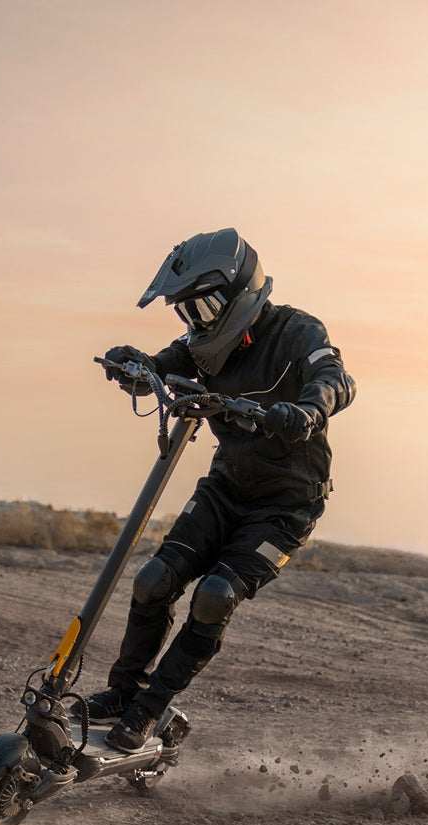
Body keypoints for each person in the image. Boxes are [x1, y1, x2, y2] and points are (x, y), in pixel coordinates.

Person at [77, 228, 356, 753]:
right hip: (225, 490)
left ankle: (148, 711)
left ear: (240, 293)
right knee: (153, 580)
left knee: (214, 596)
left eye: (205, 307)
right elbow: (161, 370)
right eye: (187, 312)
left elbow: (337, 377)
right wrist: (134, 365)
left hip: (287, 506)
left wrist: (309, 410)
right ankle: (122, 693)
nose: (196, 322)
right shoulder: (202, 349)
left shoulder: (296, 331)